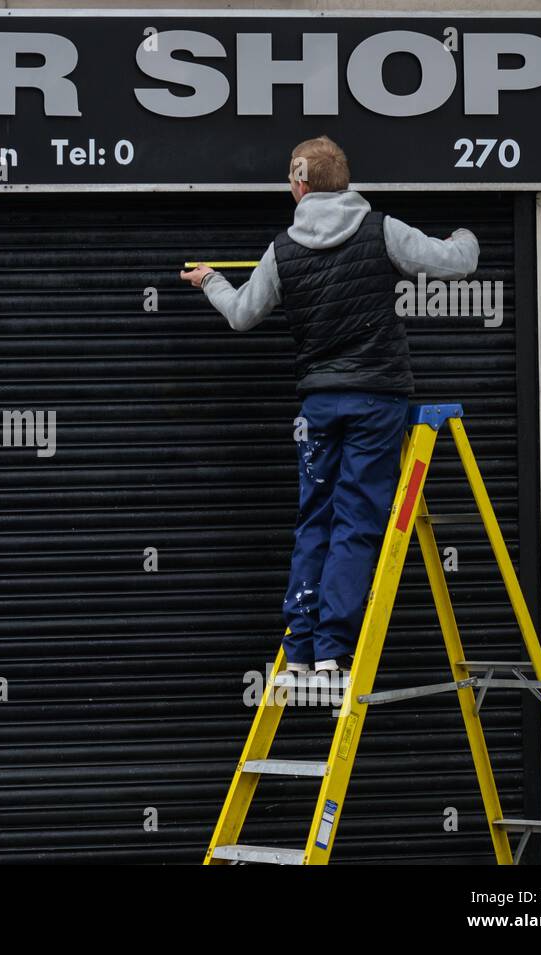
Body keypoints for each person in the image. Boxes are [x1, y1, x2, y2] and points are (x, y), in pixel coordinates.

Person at [180, 135, 479, 685]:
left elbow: (242, 314)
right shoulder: (380, 229)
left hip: (317, 404)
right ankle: (331, 652)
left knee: (314, 517)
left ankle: (297, 648)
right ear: (342, 181)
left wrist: (210, 280)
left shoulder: (280, 249)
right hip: (377, 399)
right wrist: (465, 233)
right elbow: (456, 263)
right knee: (357, 520)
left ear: (299, 184)